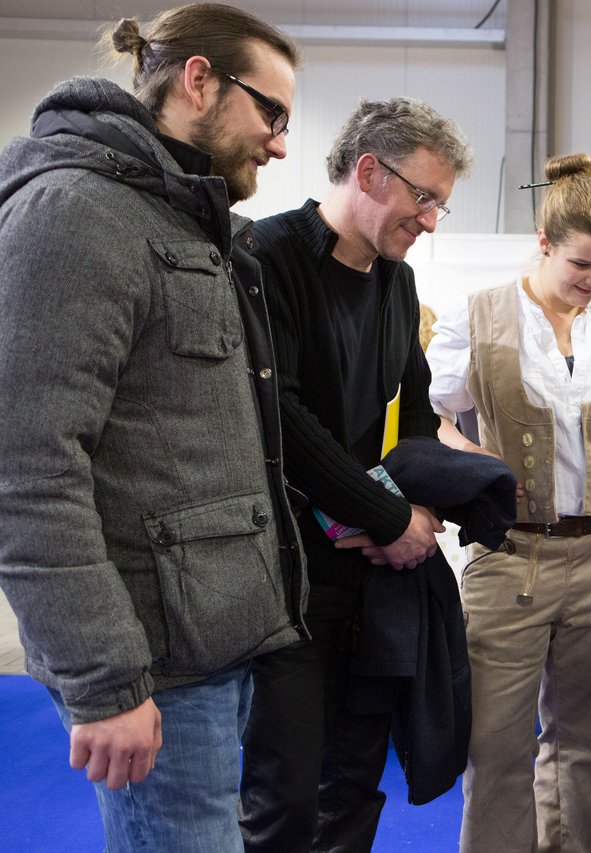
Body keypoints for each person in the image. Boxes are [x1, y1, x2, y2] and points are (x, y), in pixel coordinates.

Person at [0, 5, 304, 849]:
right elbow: (26, 468)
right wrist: (104, 680)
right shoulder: (74, 211)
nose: (280, 143)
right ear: (198, 81)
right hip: (149, 661)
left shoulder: (176, 216)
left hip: (207, 645)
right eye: (272, 112)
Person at [237, 98, 474, 851]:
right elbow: (283, 419)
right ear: (369, 172)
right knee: (284, 791)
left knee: (353, 781)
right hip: (289, 581)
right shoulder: (264, 257)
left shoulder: (395, 282)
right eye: (423, 197)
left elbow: (412, 412)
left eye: (440, 204)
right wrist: (389, 516)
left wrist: (424, 506)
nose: (430, 220)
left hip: (372, 575)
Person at [428, 153, 591, 853]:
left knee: (581, 742)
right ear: (544, 243)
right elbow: (426, 414)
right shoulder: (478, 315)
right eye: (580, 265)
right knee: (495, 746)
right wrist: (467, 456)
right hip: (510, 557)